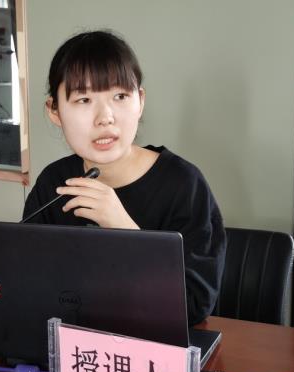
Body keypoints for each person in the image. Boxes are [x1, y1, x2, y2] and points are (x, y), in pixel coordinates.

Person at [23, 30, 226, 325]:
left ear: (140, 100)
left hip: (155, 346)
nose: (105, 117)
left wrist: (125, 229)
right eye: (84, 100)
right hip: (74, 344)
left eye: (120, 96)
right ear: (54, 111)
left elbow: (195, 304)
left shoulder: (184, 184)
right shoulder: (54, 183)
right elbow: (25, 282)